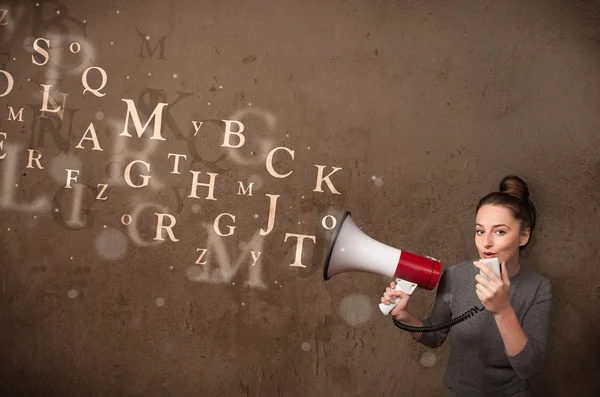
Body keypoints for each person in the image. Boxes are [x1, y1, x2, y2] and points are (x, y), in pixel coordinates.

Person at [381, 175, 552, 397]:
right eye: (480, 231)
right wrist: (404, 316)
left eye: (500, 231)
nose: (486, 242)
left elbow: (529, 367)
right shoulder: (455, 276)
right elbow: (435, 336)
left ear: (523, 236)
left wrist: (503, 311)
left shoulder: (538, 288)